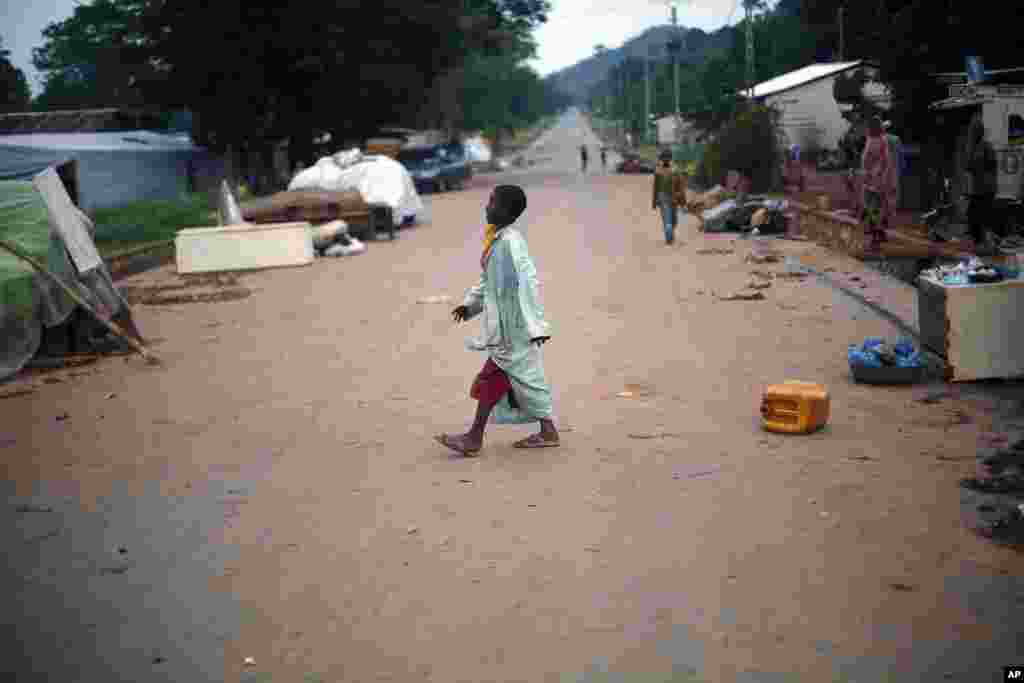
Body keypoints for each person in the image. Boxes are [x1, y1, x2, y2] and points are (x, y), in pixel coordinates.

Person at [437, 185, 559, 456]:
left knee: (496, 379)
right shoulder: (496, 240)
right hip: (504, 329)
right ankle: (547, 431)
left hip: (515, 329)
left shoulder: (511, 243)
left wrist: (536, 325)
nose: (487, 206)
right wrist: (469, 306)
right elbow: (487, 281)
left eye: (492, 202)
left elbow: (528, 283)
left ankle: (473, 438)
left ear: (507, 211)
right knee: (522, 380)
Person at [860, 116, 896, 254]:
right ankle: (878, 232)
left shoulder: (874, 141)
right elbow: (886, 161)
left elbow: (875, 160)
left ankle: (876, 233)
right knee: (878, 206)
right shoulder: (881, 140)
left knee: (872, 206)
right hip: (878, 178)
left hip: (874, 178)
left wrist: (870, 173)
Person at [966, 116, 999, 252]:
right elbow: (969, 166)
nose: (973, 132)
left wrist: (979, 168)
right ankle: (981, 243)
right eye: (972, 130)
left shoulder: (986, 146)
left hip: (987, 188)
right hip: (978, 188)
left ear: (980, 131)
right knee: (973, 215)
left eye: (975, 130)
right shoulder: (973, 147)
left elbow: (992, 164)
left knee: (980, 215)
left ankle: (987, 243)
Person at [651, 149, 688, 245]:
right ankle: (669, 237)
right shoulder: (658, 171)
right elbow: (656, 187)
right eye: (664, 158)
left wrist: (683, 203)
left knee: (673, 221)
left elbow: (681, 186)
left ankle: (670, 233)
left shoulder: (676, 170)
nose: (665, 160)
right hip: (663, 198)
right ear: (662, 159)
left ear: (670, 158)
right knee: (667, 219)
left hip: (674, 198)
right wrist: (654, 202)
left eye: (667, 158)